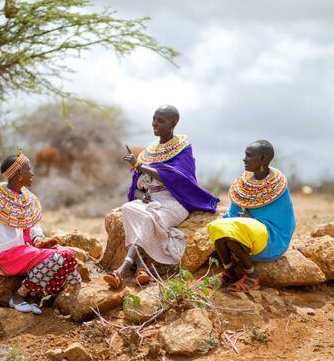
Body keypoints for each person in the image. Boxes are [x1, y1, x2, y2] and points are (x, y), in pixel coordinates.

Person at [103, 105, 219, 289]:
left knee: (148, 217)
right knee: (128, 208)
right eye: (154, 119)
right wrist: (143, 194)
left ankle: (122, 270)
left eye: (161, 120)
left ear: (173, 123)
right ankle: (141, 268)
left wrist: (139, 165)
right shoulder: (149, 150)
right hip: (150, 201)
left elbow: (177, 177)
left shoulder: (183, 146)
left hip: (175, 201)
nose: (155, 124)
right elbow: (139, 184)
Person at [0, 149, 82, 314]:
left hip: (26, 250)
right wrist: (34, 247)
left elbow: (33, 227)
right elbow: (5, 239)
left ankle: (42, 297)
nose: (33, 173)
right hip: (5, 254)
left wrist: (39, 242)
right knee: (59, 257)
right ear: (18, 174)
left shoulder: (27, 199)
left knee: (69, 255)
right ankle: (19, 297)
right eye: (28, 169)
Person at [207, 140, 296, 292]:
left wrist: (248, 222)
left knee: (234, 233)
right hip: (249, 231)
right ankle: (229, 272)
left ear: (263, 159)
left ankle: (252, 277)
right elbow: (233, 213)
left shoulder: (277, 186)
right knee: (217, 228)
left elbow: (285, 223)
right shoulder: (243, 183)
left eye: (249, 156)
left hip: (272, 237)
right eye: (245, 155)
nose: (244, 159)